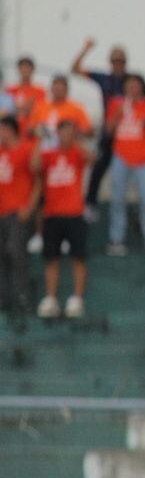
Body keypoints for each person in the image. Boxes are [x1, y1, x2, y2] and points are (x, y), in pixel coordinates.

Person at [32, 117, 90, 319]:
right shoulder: (50, 154)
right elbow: (35, 166)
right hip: (52, 213)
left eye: (69, 131)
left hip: (75, 212)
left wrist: (77, 139)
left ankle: (77, 298)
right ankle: (51, 298)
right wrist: (40, 139)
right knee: (51, 258)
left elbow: (91, 159)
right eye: (63, 131)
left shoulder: (76, 152)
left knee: (78, 257)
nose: (65, 135)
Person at [102, 74, 145, 254]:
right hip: (120, 156)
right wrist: (118, 114)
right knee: (117, 200)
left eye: (136, 85)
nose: (132, 88)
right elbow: (108, 131)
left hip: (143, 159)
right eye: (129, 85)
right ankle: (116, 239)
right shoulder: (116, 103)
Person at [70, 37, 128, 213]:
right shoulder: (105, 79)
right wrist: (86, 48)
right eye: (114, 60)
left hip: (128, 134)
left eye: (121, 60)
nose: (117, 64)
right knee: (98, 168)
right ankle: (90, 204)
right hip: (108, 133)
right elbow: (75, 69)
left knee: (126, 176)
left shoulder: (132, 81)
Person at [0, 115, 39, 323]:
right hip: (2, 211)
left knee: (16, 252)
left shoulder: (25, 149)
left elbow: (38, 179)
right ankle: (4, 297)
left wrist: (29, 208)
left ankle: (24, 296)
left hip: (18, 210)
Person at [29, 76, 92, 143]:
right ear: (51, 89)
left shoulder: (76, 109)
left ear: (66, 90)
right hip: (43, 147)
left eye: (61, 89)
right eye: (56, 88)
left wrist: (71, 132)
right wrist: (39, 131)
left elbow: (88, 132)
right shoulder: (40, 106)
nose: (58, 91)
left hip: (66, 148)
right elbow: (30, 130)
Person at [7, 57, 46, 127]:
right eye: (22, 67)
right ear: (18, 69)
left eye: (28, 67)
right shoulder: (10, 90)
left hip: (30, 129)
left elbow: (39, 111)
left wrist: (18, 108)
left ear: (33, 70)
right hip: (12, 128)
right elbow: (7, 109)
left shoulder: (40, 91)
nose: (25, 70)